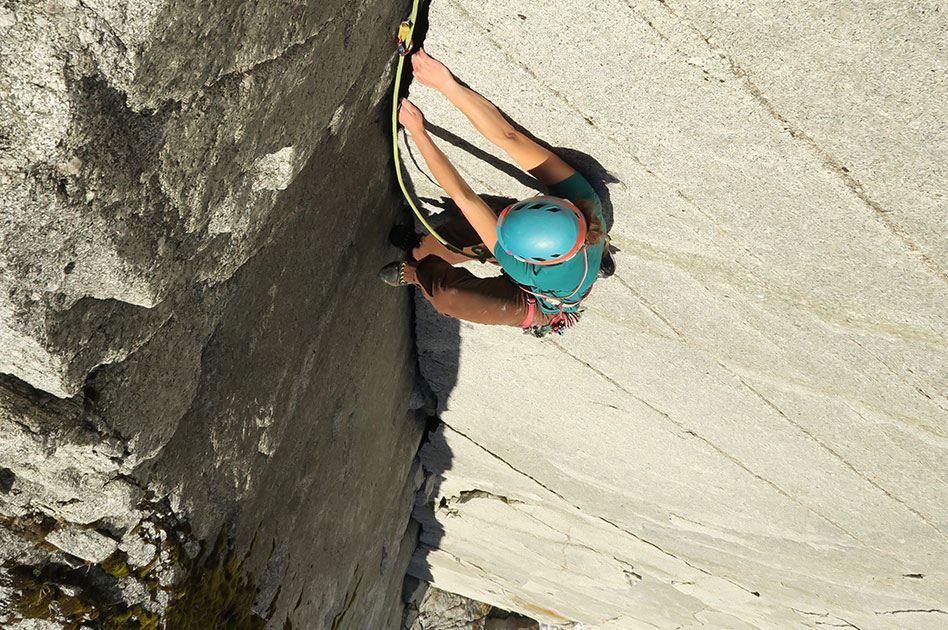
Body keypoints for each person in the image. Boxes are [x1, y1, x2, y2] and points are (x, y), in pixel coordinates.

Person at [380, 49, 610, 336]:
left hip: (540, 301)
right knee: (440, 243)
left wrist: (419, 133)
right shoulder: (583, 198)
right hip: (543, 261)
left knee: (447, 296)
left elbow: (465, 198)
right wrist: (446, 84)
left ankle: (415, 274)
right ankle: (418, 251)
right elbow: (509, 138)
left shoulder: (525, 271)